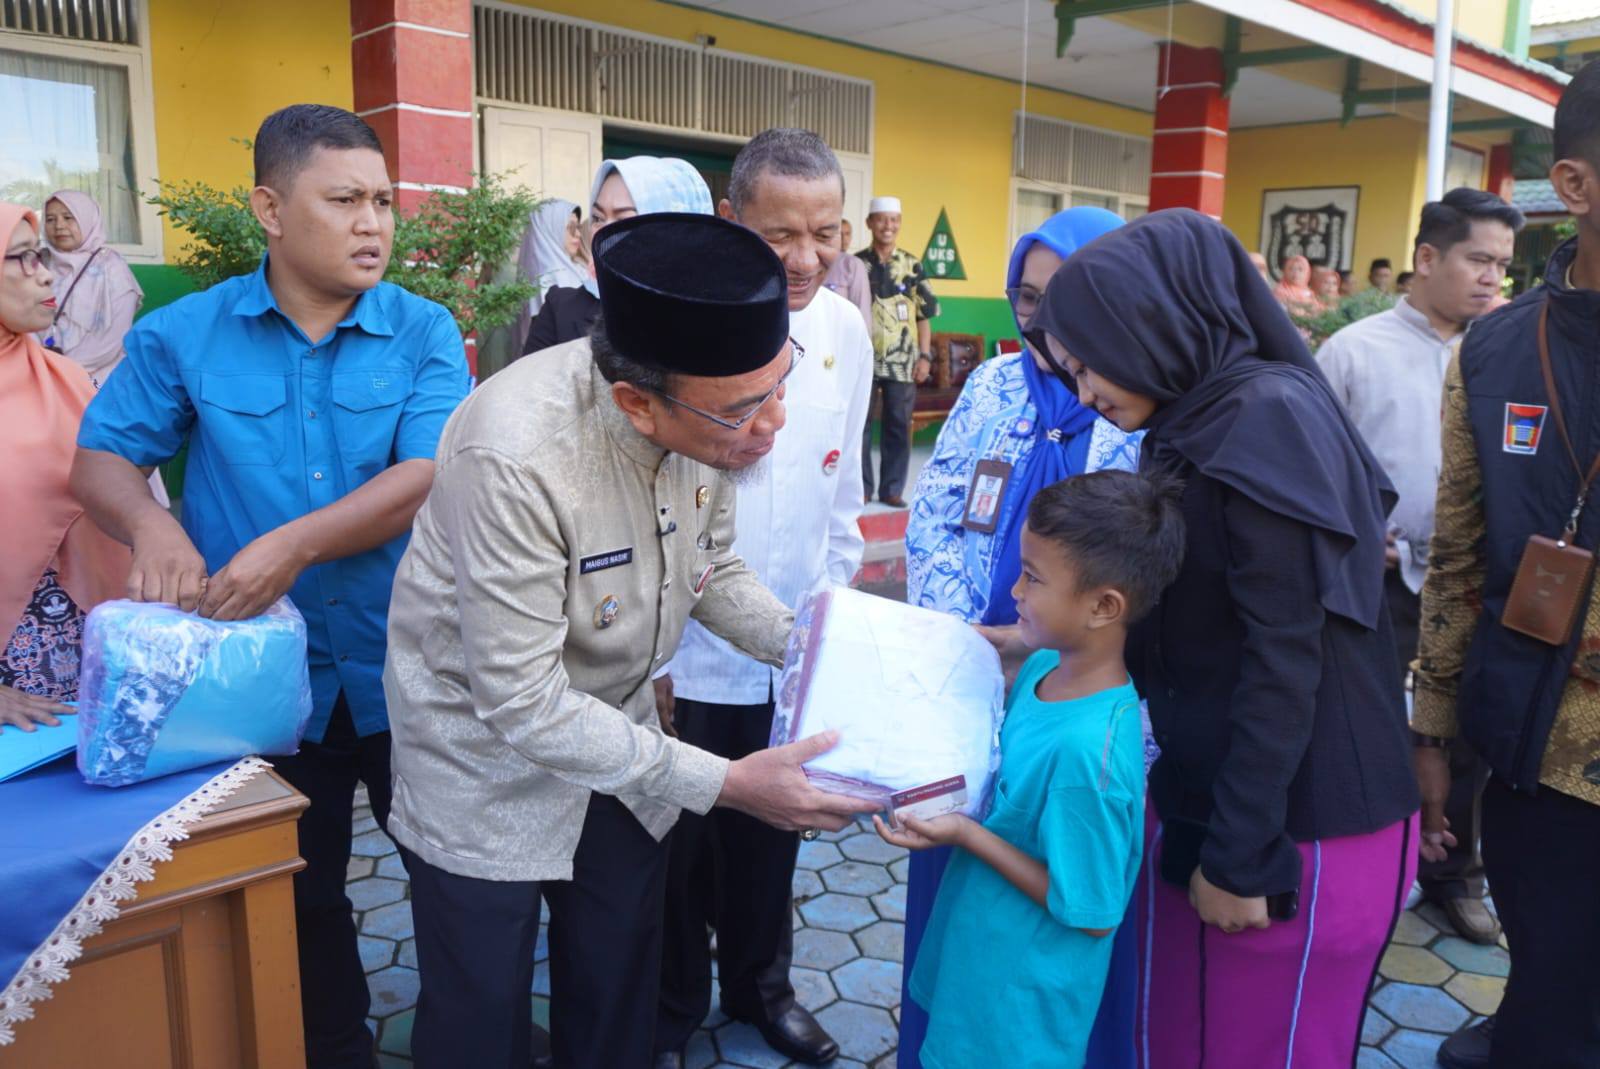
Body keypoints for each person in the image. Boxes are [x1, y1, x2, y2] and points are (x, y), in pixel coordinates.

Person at [382, 211, 879, 1069]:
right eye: (744, 408)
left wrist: (811, 648)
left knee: (617, 986)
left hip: (621, 736)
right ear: (636, 404)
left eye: (780, 384)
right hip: (481, 755)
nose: (774, 422)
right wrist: (728, 783)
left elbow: (710, 568)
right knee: (479, 1013)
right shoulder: (515, 455)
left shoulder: (709, 420)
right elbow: (522, 701)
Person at [69, 105, 470, 1068]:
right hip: (258, 679)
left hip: (412, 665)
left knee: (455, 881)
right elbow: (99, 461)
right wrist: (155, 525)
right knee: (298, 888)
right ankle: (336, 1047)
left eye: (383, 201)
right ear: (271, 209)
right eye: (345, 200)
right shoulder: (185, 335)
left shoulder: (422, 329)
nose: (374, 224)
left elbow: (422, 475)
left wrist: (289, 547)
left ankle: (467, 1039)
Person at [1029, 209, 1420, 1067]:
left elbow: (1286, 656)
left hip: (1297, 829)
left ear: (1151, 324)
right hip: (1235, 806)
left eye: (1088, 363)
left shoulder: (1263, 421)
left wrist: (1241, 855)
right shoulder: (1200, 418)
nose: (1082, 393)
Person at [653, 128, 873, 1069]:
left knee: (771, 837)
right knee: (673, 849)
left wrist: (832, 623)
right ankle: (668, 1006)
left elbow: (843, 495)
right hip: (681, 652)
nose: (805, 257)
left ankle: (761, 989)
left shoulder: (845, 331)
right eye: (780, 233)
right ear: (730, 220)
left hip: (788, 644)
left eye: (825, 233)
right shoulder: (675, 327)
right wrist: (656, 656)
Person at [901, 205, 1141, 1069]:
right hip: (975, 679)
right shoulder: (993, 384)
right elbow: (935, 515)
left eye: (1064, 297)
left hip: (1071, 690)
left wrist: (1036, 648)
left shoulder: (1137, 400)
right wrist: (967, 646)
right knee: (958, 888)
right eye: (1028, 298)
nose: (1042, 320)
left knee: (1052, 890)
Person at [1413, 57, 1600, 1069]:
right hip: (1539, 762)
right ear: (1574, 185)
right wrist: (1433, 731)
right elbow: (1456, 558)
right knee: (1547, 1009)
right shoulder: (1491, 354)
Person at [879, 470, 1184, 1069]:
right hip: (979, 953)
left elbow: (1090, 910)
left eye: (1033, 577)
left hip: (1020, 1008)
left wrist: (965, 833)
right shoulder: (1045, 665)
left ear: (1104, 606)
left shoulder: (1088, 755)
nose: (1015, 590)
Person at [1317, 187, 1523, 952]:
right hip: (1378, 582)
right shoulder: (1352, 352)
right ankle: (1377, 863)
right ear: (1428, 257)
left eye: (1502, 265)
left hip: (1476, 581)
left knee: (1467, 731)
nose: (1492, 278)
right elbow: (1316, 467)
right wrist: (1355, 535)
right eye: (1478, 259)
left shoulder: (1507, 351)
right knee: (1375, 725)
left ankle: (1454, 875)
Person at [0, 201, 130, 731]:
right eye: (20, 258)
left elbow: (118, 491)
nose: (46, 274)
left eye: (41, 256)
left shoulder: (66, 378)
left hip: (83, 653)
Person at [522, 156, 712, 354]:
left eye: (623, 219)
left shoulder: (710, 320)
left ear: (672, 231)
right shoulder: (561, 309)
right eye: (598, 217)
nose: (604, 232)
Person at [858, 195, 939, 508]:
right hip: (863, 359)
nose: (887, 226)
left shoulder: (913, 265)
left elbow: (924, 316)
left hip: (903, 361)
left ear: (900, 224)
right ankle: (862, 488)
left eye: (893, 220)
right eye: (881, 219)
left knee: (898, 425)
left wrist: (925, 357)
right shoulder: (856, 264)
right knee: (859, 425)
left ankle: (892, 489)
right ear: (870, 223)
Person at [38, 190, 143, 387]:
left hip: (94, 379)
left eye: (69, 217)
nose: (59, 226)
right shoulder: (38, 262)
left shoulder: (112, 268)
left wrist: (63, 370)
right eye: (50, 219)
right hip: (38, 373)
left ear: (87, 218)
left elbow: (112, 339)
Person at [511, 198, 587, 358]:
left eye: (578, 227)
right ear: (549, 230)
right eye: (570, 228)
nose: (578, 234)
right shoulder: (547, 279)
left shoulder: (576, 269)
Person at [822, 216, 871, 329]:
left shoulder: (853, 264)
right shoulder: (818, 259)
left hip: (843, 329)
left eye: (848, 234)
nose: (844, 239)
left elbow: (862, 307)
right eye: (840, 234)